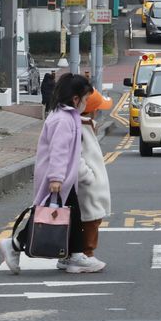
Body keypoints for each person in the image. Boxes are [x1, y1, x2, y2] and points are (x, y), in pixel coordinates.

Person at [0, 73, 104, 274]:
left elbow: (68, 135)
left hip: (64, 178)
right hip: (57, 178)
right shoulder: (63, 120)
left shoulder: (65, 116)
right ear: (75, 99)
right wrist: (56, 178)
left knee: (63, 215)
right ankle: (14, 246)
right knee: (47, 215)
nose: (86, 103)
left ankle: (73, 255)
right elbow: (59, 150)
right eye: (85, 99)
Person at [56, 89, 112, 271]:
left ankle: (69, 256)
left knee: (85, 219)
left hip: (87, 184)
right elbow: (76, 157)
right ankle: (84, 255)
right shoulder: (79, 127)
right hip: (86, 185)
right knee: (91, 220)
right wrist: (88, 177)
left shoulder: (85, 125)